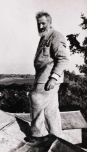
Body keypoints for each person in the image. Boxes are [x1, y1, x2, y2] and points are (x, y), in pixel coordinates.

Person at [26, 11, 70, 144]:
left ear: (50, 23)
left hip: (48, 78)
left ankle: (38, 135)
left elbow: (63, 59)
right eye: (38, 24)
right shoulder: (44, 37)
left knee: (36, 99)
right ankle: (56, 136)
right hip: (42, 76)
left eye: (43, 23)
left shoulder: (56, 36)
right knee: (50, 109)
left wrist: (53, 78)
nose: (40, 26)